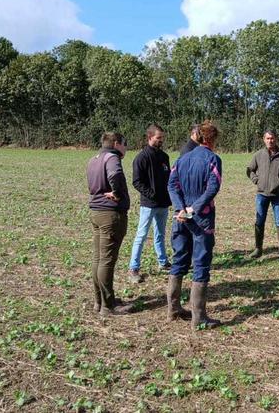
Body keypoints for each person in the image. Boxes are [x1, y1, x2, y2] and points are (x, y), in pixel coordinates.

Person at [167, 120, 223, 328]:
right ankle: (199, 317)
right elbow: (212, 187)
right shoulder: (213, 160)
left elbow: (171, 185)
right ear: (211, 139)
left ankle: (173, 309)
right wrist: (193, 209)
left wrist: (180, 208)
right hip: (201, 219)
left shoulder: (181, 159)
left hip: (181, 217)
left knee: (179, 259)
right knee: (201, 263)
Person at [86, 132, 130, 317]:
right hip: (110, 214)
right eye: (125, 144)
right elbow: (115, 174)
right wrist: (118, 194)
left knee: (98, 259)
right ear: (116, 143)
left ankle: (99, 301)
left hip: (96, 212)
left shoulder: (93, 159)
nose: (126, 148)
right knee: (106, 261)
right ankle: (108, 305)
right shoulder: (112, 158)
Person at [126, 124, 172, 284]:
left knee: (160, 234)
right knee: (141, 235)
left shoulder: (164, 157)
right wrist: (151, 194)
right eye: (159, 138)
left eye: (162, 138)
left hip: (163, 203)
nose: (161, 140)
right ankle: (133, 268)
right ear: (150, 137)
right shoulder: (142, 158)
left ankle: (163, 262)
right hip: (148, 204)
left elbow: (168, 178)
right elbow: (136, 181)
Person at [246, 130, 279, 260]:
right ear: (264, 139)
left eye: (272, 138)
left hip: (278, 194)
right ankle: (258, 249)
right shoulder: (258, 155)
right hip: (261, 194)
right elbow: (250, 170)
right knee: (259, 220)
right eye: (268, 138)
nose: (270, 141)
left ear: (276, 139)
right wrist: (256, 180)